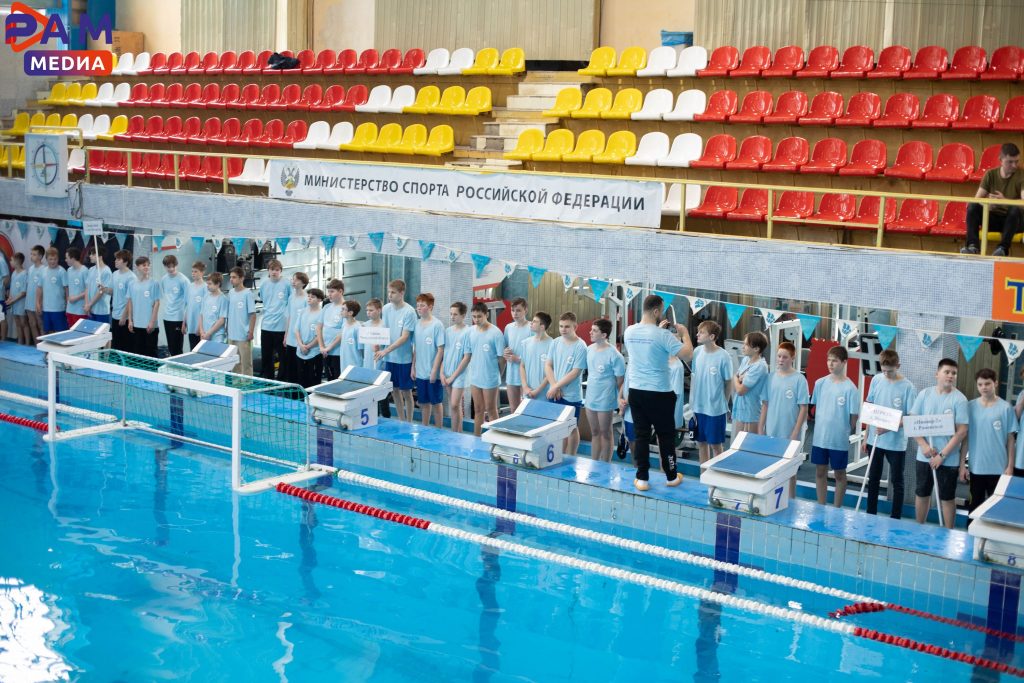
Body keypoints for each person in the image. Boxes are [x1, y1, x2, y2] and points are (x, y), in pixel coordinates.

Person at [621, 295, 693, 491]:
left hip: (636, 391)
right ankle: (671, 476)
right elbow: (688, 354)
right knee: (665, 436)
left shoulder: (629, 331)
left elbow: (647, 346)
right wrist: (685, 334)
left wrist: (659, 332)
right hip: (660, 392)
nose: (661, 313)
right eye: (660, 310)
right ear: (655, 311)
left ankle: (642, 478)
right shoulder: (663, 335)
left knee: (641, 436)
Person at [911, 358, 969, 529]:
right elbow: (912, 422)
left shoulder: (960, 400)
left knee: (947, 498)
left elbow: (962, 431)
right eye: (947, 372)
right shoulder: (925, 394)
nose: (950, 376)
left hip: (948, 459)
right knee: (922, 493)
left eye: (954, 373)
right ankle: (919, 528)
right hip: (925, 456)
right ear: (937, 374)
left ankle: (948, 534)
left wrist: (942, 455)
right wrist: (923, 445)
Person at [863, 350, 917, 519]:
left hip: (896, 443)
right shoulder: (876, 380)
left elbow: (911, 418)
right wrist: (865, 436)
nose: (886, 374)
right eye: (884, 370)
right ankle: (870, 513)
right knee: (873, 478)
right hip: (875, 440)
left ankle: (896, 517)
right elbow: (870, 409)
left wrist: (889, 427)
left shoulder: (908, 387)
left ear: (898, 366)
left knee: (897, 481)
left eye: (890, 371)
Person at [810, 346, 860, 507]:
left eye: (835, 361)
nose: (830, 364)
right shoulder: (820, 383)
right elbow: (815, 407)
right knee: (820, 471)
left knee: (839, 474)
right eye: (829, 360)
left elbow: (854, 418)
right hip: (820, 438)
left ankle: (837, 508)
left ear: (844, 362)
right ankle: (821, 506)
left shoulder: (851, 389)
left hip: (838, 440)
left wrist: (844, 432)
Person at [758, 341, 809, 497]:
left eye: (785, 357)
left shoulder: (799, 379)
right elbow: (765, 404)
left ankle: (791, 500)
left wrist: (795, 432)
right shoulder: (770, 378)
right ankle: (772, 499)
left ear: (792, 358)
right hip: (771, 431)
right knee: (771, 468)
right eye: (779, 356)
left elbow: (804, 408)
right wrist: (760, 429)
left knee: (790, 471)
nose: (781, 360)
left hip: (789, 432)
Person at [961, 368, 1016, 515]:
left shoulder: (1006, 408)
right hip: (976, 468)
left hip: (999, 468)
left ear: (995, 383)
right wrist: (962, 466)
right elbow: (965, 439)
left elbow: (1011, 440)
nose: (984, 387)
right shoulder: (970, 407)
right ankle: (971, 530)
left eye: (987, 384)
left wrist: (1010, 466)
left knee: (996, 509)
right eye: (980, 384)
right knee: (974, 506)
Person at [962, 142, 1023, 256]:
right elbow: (976, 200)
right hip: (994, 219)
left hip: (1015, 222)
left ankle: (1002, 249)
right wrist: (987, 205)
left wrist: (1005, 201)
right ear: (1001, 160)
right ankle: (973, 246)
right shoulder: (990, 174)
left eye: (1016, 161)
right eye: (1010, 162)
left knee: (1014, 209)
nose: (1014, 165)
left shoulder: (1022, 175)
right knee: (973, 207)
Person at [545, 312, 588, 455]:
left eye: (567, 326)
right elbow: (548, 365)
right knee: (557, 427)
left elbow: (575, 372)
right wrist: (553, 385)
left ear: (575, 327)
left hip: (571, 395)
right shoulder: (555, 342)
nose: (563, 329)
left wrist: (556, 386)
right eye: (561, 326)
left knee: (571, 427)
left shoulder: (581, 346)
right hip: (555, 392)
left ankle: (571, 456)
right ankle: (559, 455)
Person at [691, 320, 734, 464]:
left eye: (701, 332)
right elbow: (695, 377)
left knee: (715, 446)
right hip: (699, 407)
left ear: (712, 337)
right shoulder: (697, 352)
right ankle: (704, 474)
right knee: (701, 444)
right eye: (698, 331)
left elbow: (729, 382)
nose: (697, 334)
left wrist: (724, 403)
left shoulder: (723, 356)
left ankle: (716, 474)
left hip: (715, 410)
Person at [375, 279, 417, 422]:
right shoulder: (386, 308)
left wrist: (386, 351)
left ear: (402, 293)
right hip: (389, 358)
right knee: (394, 390)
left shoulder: (409, 312)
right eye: (388, 292)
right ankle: (401, 420)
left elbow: (405, 337)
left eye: (393, 292)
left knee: (406, 392)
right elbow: (384, 330)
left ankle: (409, 421)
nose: (389, 295)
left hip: (404, 359)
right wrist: (378, 344)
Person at [584, 318, 625, 462]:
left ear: (604, 335)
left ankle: (605, 465)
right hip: (590, 398)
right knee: (595, 432)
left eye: (594, 331)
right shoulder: (589, 350)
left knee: (606, 433)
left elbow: (620, 382)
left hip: (606, 399)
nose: (590, 332)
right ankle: (594, 462)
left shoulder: (615, 355)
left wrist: (619, 401)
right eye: (591, 329)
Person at [466, 302, 505, 436]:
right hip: (475, 376)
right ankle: (476, 438)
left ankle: (497, 439)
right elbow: (469, 354)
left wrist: (498, 374)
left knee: (491, 409)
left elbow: (502, 359)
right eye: (474, 317)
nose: (476, 320)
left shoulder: (496, 333)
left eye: (479, 316)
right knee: (478, 409)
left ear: (486, 315)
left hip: (490, 377)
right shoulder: (471, 331)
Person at [412, 292, 445, 428]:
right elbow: (415, 348)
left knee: (436, 402)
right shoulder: (417, 324)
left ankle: (439, 430)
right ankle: (424, 428)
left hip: (433, 373)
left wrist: (434, 371)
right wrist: (413, 367)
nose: (419, 308)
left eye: (422, 305)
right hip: (420, 371)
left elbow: (441, 350)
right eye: (418, 305)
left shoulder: (437, 325)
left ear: (430, 307)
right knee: (423, 402)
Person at [258, 259, 290, 379]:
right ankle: (268, 380)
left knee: (283, 357)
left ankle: (282, 380)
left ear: (281, 271)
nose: (274, 272)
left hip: (281, 326)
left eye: (277, 270)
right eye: (272, 269)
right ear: (268, 271)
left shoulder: (287, 284)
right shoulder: (264, 284)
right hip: (266, 325)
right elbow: (263, 300)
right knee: (266, 356)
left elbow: (291, 303)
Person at [441, 302, 471, 433]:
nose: (452, 317)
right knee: (455, 406)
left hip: (460, 374)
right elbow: (444, 354)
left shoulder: (468, 332)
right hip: (447, 372)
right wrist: (442, 373)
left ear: (463, 315)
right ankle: (458, 433)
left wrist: (453, 377)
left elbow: (467, 358)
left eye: (455, 314)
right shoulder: (448, 331)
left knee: (454, 404)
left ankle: (455, 433)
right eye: (451, 314)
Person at [732, 332, 769, 434]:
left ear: (756, 349)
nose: (743, 347)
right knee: (738, 440)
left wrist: (735, 378)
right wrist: (738, 378)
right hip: (741, 408)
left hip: (752, 411)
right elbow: (738, 377)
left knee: (750, 441)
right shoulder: (746, 360)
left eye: (746, 345)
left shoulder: (760, 366)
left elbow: (740, 390)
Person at [126, 256, 161, 357]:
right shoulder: (132, 284)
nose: (146, 267)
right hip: (137, 325)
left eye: (148, 265)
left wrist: (152, 322)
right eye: (144, 265)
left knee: (151, 355)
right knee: (138, 354)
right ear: (137, 267)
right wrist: (130, 320)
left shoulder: (154, 283)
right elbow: (130, 302)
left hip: (149, 326)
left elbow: (157, 303)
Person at [361, 297, 390, 418]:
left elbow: (388, 347)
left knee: (381, 393)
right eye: (367, 310)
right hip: (367, 363)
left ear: (379, 310)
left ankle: (386, 416)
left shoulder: (385, 326)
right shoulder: (364, 326)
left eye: (371, 310)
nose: (368, 313)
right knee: (369, 393)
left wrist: (379, 349)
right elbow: (362, 347)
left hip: (380, 364)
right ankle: (373, 416)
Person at [502, 297, 532, 413]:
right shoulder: (508, 328)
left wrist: (518, 359)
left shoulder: (531, 328)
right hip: (512, 375)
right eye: (513, 310)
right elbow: (505, 348)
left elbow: (535, 355)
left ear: (526, 310)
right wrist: (505, 352)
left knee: (527, 411)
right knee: (513, 410)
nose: (515, 313)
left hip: (527, 375)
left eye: (518, 310)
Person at [227, 266, 257, 375]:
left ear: (241, 278)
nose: (231, 279)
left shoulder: (248, 294)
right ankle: (236, 383)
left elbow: (252, 315)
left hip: (243, 335)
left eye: (234, 277)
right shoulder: (230, 293)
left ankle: (247, 384)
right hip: (232, 334)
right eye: (231, 277)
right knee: (234, 363)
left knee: (246, 363)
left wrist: (251, 332)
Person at [293, 288, 325, 388]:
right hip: (300, 351)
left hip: (314, 352)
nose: (309, 298)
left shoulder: (322, 314)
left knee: (313, 381)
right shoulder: (303, 311)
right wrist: (301, 345)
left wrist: (308, 346)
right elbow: (296, 330)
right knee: (301, 380)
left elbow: (320, 334)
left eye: (313, 297)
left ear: (319, 300)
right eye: (308, 296)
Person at [519, 311, 553, 403]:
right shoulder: (525, 343)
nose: (531, 323)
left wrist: (538, 390)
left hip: (544, 394)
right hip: (528, 392)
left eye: (534, 321)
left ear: (542, 326)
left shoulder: (552, 344)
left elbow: (551, 371)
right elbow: (522, 366)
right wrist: (525, 387)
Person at [316, 279, 347, 381]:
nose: (329, 294)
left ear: (340, 291)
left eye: (332, 291)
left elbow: (343, 332)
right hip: (325, 351)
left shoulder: (346, 308)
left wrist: (329, 347)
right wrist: (321, 346)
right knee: (329, 379)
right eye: (328, 291)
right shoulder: (326, 307)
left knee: (338, 379)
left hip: (338, 352)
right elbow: (319, 327)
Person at [159, 254, 189, 357]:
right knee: (171, 346)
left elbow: (188, 302)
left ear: (177, 265)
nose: (171, 269)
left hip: (178, 318)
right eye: (169, 267)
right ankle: (172, 364)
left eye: (173, 266)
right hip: (167, 317)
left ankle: (179, 365)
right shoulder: (163, 279)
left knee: (177, 347)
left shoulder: (183, 280)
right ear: (165, 266)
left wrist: (185, 321)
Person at [281, 272, 309, 385]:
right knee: (290, 366)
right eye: (293, 279)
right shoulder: (291, 297)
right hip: (291, 338)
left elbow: (308, 321)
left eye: (296, 280)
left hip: (301, 338)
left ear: (303, 283)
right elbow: (289, 317)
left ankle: (301, 390)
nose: (293, 282)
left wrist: (304, 340)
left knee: (300, 367)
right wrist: (286, 335)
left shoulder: (307, 299)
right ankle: (291, 390)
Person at [110, 249, 136, 352]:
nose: (115, 261)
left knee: (125, 346)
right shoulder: (115, 274)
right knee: (116, 344)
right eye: (116, 259)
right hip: (115, 314)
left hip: (124, 316)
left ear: (125, 262)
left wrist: (124, 316)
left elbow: (131, 299)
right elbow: (112, 291)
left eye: (118, 259)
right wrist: (104, 289)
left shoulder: (131, 277)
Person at [38, 247, 68, 334]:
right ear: (46, 259)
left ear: (58, 259)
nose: (53, 261)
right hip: (46, 308)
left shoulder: (62, 271)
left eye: (55, 259)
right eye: (50, 259)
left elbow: (66, 289)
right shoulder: (43, 271)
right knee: (48, 331)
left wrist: (67, 303)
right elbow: (39, 288)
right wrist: (37, 303)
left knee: (60, 332)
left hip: (58, 308)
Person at [84, 247, 112, 325]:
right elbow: (87, 288)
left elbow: (101, 291)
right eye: (90, 254)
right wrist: (87, 304)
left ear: (100, 257)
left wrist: (90, 304)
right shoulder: (91, 270)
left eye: (93, 254)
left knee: (101, 332)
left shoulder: (106, 271)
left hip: (101, 311)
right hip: (90, 309)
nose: (90, 256)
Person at [197, 272, 228, 343]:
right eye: (207, 284)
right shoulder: (206, 297)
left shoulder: (223, 299)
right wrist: (201, 331)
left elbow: (221, 320)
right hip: (204, 335)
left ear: (218, 284)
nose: (207, 286)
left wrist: (209, 333)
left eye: (210, 284)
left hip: (217, 336)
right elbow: (201, 315)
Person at [24, 245, 44, 344]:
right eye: (31, 254)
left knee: (40, 324)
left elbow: (43, 288)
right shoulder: (31, 268)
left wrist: (40, 302)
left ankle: (43, 345)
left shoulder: (44, 269)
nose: (31, 256)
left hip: (38, 301)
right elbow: (29, 285)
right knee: (32, 323)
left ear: (40, 256)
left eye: (34, 254)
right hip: (29, 300)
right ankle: (36, 345)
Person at [183, 261, 206, 349]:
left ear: (202, 273)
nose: (193, 273)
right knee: (192, 349)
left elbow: (205, 309)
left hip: (201, 327)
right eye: (192, 271)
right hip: (191, 324)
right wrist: (184, 322)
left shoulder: (205, 287)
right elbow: (187, 306)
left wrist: (200, 327)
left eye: (196, 271)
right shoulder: (189, 286)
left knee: (200, 350)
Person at [5, 253, 27, 344]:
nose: (10, 262)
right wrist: (10, 299)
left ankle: (27, 343)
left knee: (24, 323)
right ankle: (20, 342)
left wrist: (12, 300)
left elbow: (23, 292)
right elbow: (12, 289)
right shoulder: (14, 273)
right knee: (17, 323)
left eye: (11, 260)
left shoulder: (24, 274)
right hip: (14, 303)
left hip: (21, 302)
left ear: (17, 261)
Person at [64, 247, 88, 328]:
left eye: (67, 258)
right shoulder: (69, 270)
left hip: (80, 310)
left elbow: (88, 290)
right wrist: (68, 299)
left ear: (73, 258)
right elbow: (68, 288)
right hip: (70, 309)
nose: (65, 260)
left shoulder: (84, 271)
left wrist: (76, 298)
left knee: (80, 332)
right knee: (71, 331)